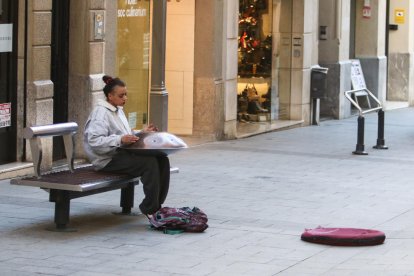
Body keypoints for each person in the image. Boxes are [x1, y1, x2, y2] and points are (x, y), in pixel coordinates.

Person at [83, 75, 170, 219]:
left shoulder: (118, 109)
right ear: (110, 96)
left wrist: (141, 133)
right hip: (107, 159)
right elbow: (95, 141)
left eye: (126, 94)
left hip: (122, 153)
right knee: (149, 164)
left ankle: (156, 205)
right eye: (121, 95)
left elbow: (125, 134)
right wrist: (120, 139)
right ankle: (150, 208)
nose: (125, 98)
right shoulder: (101, 113)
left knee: (161, 158)